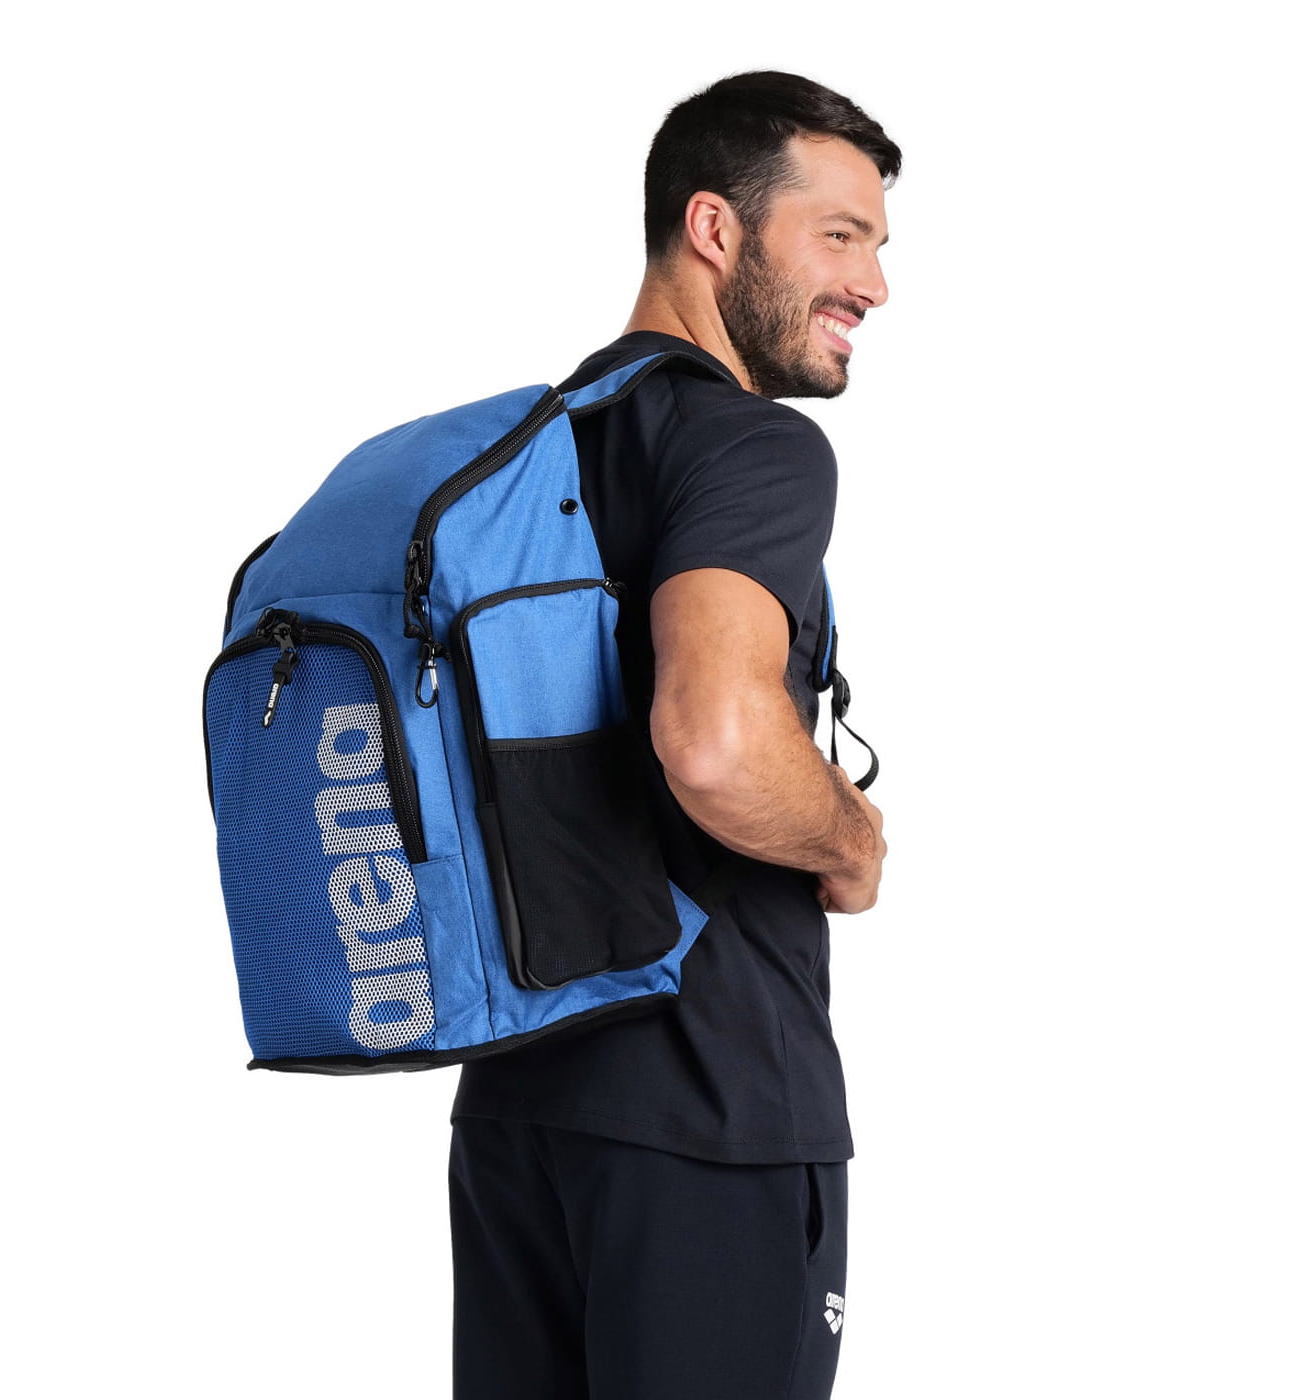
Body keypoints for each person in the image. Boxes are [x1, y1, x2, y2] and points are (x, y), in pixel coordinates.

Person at [447, 71, 899, 1399]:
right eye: (840, 235)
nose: (874, 285)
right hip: (715, 1107)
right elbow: (712, 742)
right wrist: (853, 840)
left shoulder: (523, 459)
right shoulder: (749, 447)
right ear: (715, 227)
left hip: (518, 1105)